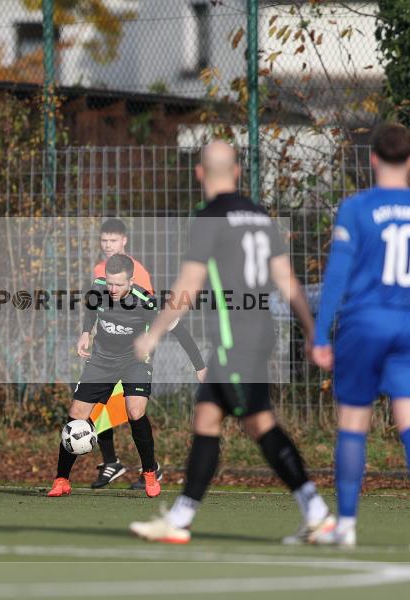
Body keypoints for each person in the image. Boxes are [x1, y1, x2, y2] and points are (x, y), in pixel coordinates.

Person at [129, 140, 333, 544]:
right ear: (237, 172)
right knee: (206, 418)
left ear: (200, 173)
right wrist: (312, 331)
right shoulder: (260, 217)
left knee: (260, 423)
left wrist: (153, 333)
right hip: (257, 332)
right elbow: (287, 282)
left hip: (233, 336)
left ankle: (317, 511)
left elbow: (188, 285)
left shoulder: (209, 217)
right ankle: (181, 518)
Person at [310, 123, 410, 550]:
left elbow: (336, 276)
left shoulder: (357, 208)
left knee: (354, 423)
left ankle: (348, 525)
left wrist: (320, 335)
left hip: (365, 325)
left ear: (372, 158)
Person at [48, 253, 206, 498]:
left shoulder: (147, 302)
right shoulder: (98, 289)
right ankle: (61, 480)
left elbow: (180, 331)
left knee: (135, 411)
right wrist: (85, 332)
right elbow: (91, 310)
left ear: (131, 281)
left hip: (135, 361)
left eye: (119, 284)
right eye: (110, 283)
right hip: (101, 360)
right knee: (76, 416)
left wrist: (200, 366)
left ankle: (149, 472)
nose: (113, 289)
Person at [91, 218, 157, 490]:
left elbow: (149, 313)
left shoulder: (137, 272)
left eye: (113, 241)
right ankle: (111, 462)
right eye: (104, 241)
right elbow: (98, 305)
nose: (108, 246)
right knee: (97, 405)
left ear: (124, 242)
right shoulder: (99, 269)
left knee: (133, 411)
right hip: (105, 350)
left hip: (132, 355)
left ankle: (150, 468)